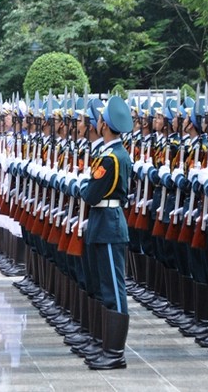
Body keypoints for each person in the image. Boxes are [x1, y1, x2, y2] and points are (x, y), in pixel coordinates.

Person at [76, 95, 134, 370]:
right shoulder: (112, 155)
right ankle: (106, 343)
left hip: (108, 224)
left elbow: (91, 193)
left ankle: (114, 352)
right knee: (105, 285)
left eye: (99, 120)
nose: (96, 123)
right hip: (104, 222)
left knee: (113, 288)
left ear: (106, 125)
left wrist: (81, 187)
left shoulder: (111, 158)